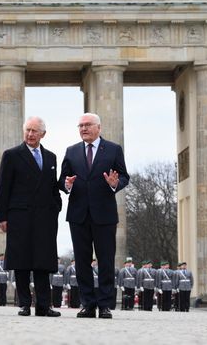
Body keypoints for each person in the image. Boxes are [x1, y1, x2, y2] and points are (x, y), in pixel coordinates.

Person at [59, 112, 130, 319]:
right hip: (78, 214)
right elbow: (62, 179)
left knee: (106, 260)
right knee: (81, 262)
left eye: (87, 125)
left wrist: (115, 184)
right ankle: (88, 304)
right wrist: (67, 185)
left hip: (105, 214)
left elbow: (124, 175)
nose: (83, 129)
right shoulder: (71, 151)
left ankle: (105, 305)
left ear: (98, 127)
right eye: (80, 126)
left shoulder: (114, 150)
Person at [0, 116, 62, 318]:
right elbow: (3, 188)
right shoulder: (12, 155)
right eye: (28, 130)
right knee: (22, 262)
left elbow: (52, 187)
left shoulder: (51, 157)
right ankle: (24, 304)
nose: (30, 134)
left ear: (43, 134)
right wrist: (2, 216)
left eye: (35, 131)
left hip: (44, 217)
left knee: (43, 262)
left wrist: (56, 207)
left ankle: (44, 305)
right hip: (20, 216)